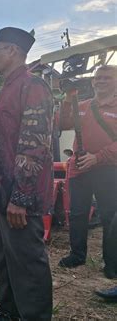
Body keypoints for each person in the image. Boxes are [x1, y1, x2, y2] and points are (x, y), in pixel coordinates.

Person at [0, 27, 54, 320]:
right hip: (2, 192)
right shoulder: (9, 87)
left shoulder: (32, 86)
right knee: (5, 256)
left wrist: (20, 197)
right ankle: (8, 310)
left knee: (27, 260)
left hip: (19, 195)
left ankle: (35, 316)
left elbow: (35, 145)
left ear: (12, 51)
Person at [58, 65, 117, 279]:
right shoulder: (82, 106)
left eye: (107, 78)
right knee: (78, 212)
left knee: (110, 215)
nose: (101, 81)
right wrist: (67, 97)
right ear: (92, 82)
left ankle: (112, 263)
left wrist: (98, 157)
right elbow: (62, 123)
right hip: (80, 166)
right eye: (98, 78)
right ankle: (77, 255)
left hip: (108, 169)